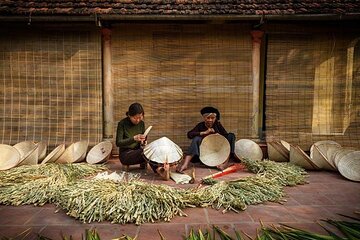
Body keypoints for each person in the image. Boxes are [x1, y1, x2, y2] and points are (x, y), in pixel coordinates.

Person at [116, 102, 170, 180]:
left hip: (139, 152)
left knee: (151, 148)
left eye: (140, 117)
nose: (138, 120)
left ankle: (161, 168)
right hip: (126, 155)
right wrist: (133, 138)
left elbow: (143, 138)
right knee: (145, 152)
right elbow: (118, 143)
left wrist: (143, 142)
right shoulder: (122, 124)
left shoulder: (141, 123)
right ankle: (159, 170)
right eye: (135, 118)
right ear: (129, 115)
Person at [176, 106, 237, 173]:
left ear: (215, 118)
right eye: (208, 118)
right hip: (205, 153)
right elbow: (189, 134)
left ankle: (224, 164)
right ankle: (185, 165)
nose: (210, 120)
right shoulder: (200, 125)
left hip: (219, 151)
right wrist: (204, 133)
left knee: (231, 136)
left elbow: (226, 136)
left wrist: (219, 135)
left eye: (212, 118)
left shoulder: (217, 125)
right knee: (196, 139)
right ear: (204, 118)